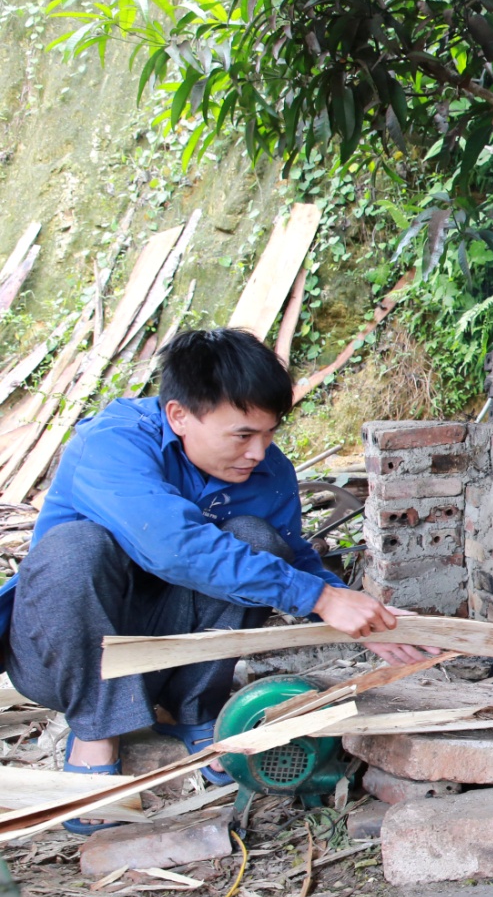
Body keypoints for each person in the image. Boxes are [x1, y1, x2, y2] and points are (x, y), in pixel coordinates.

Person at [0, 328, 437, 833]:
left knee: (258, 538)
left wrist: (352, 610)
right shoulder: (113, 443)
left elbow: (292, 556)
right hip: (63, 658)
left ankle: (192, 709)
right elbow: (171, 547)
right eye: (243, 435)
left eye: (269, 433)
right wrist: (316, 597)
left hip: (164, 653)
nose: (259, 451)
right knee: (76, 547)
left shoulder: (268, 471)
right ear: (179, 416)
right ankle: (96, 729)